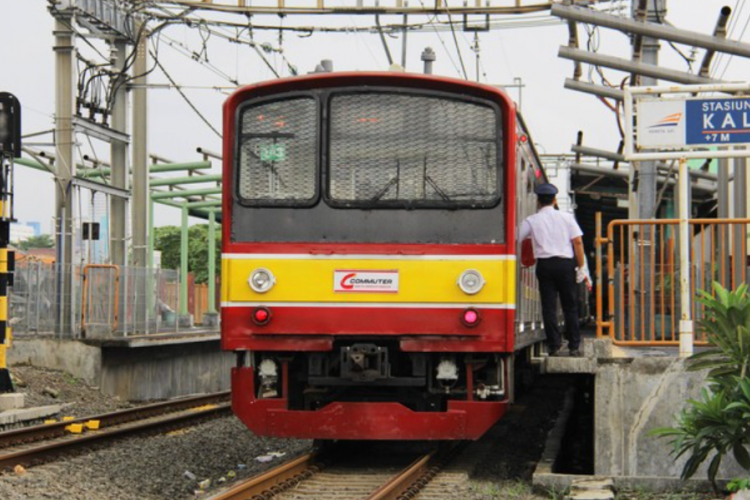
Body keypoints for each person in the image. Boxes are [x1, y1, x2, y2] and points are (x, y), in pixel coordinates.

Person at [519, 183, 586, 357]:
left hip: (545, 265)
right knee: (569, 307)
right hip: (565, 265)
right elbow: (577, 242)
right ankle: (574, 346)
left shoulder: (532, 220)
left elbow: (516, 238)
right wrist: (581, 266)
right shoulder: (567, 218)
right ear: (555, 200)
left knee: (548, 307)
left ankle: (554, 346)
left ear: (538, 201)